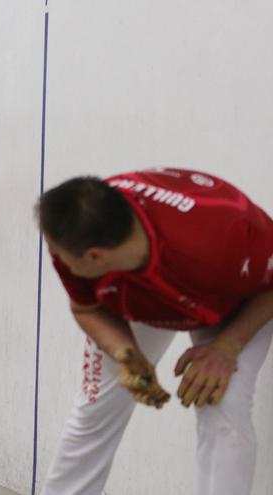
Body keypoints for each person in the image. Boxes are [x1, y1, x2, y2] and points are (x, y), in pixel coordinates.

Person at [37, 168, 273, 495]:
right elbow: (86, 308)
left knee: (224, 404)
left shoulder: (225, 239)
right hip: (136, 298)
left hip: (229, 300)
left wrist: (227, 347)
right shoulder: (72, 234)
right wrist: (126, 355)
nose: (57, 261)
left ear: (94, 257)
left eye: (62, 256)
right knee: (96, 407)